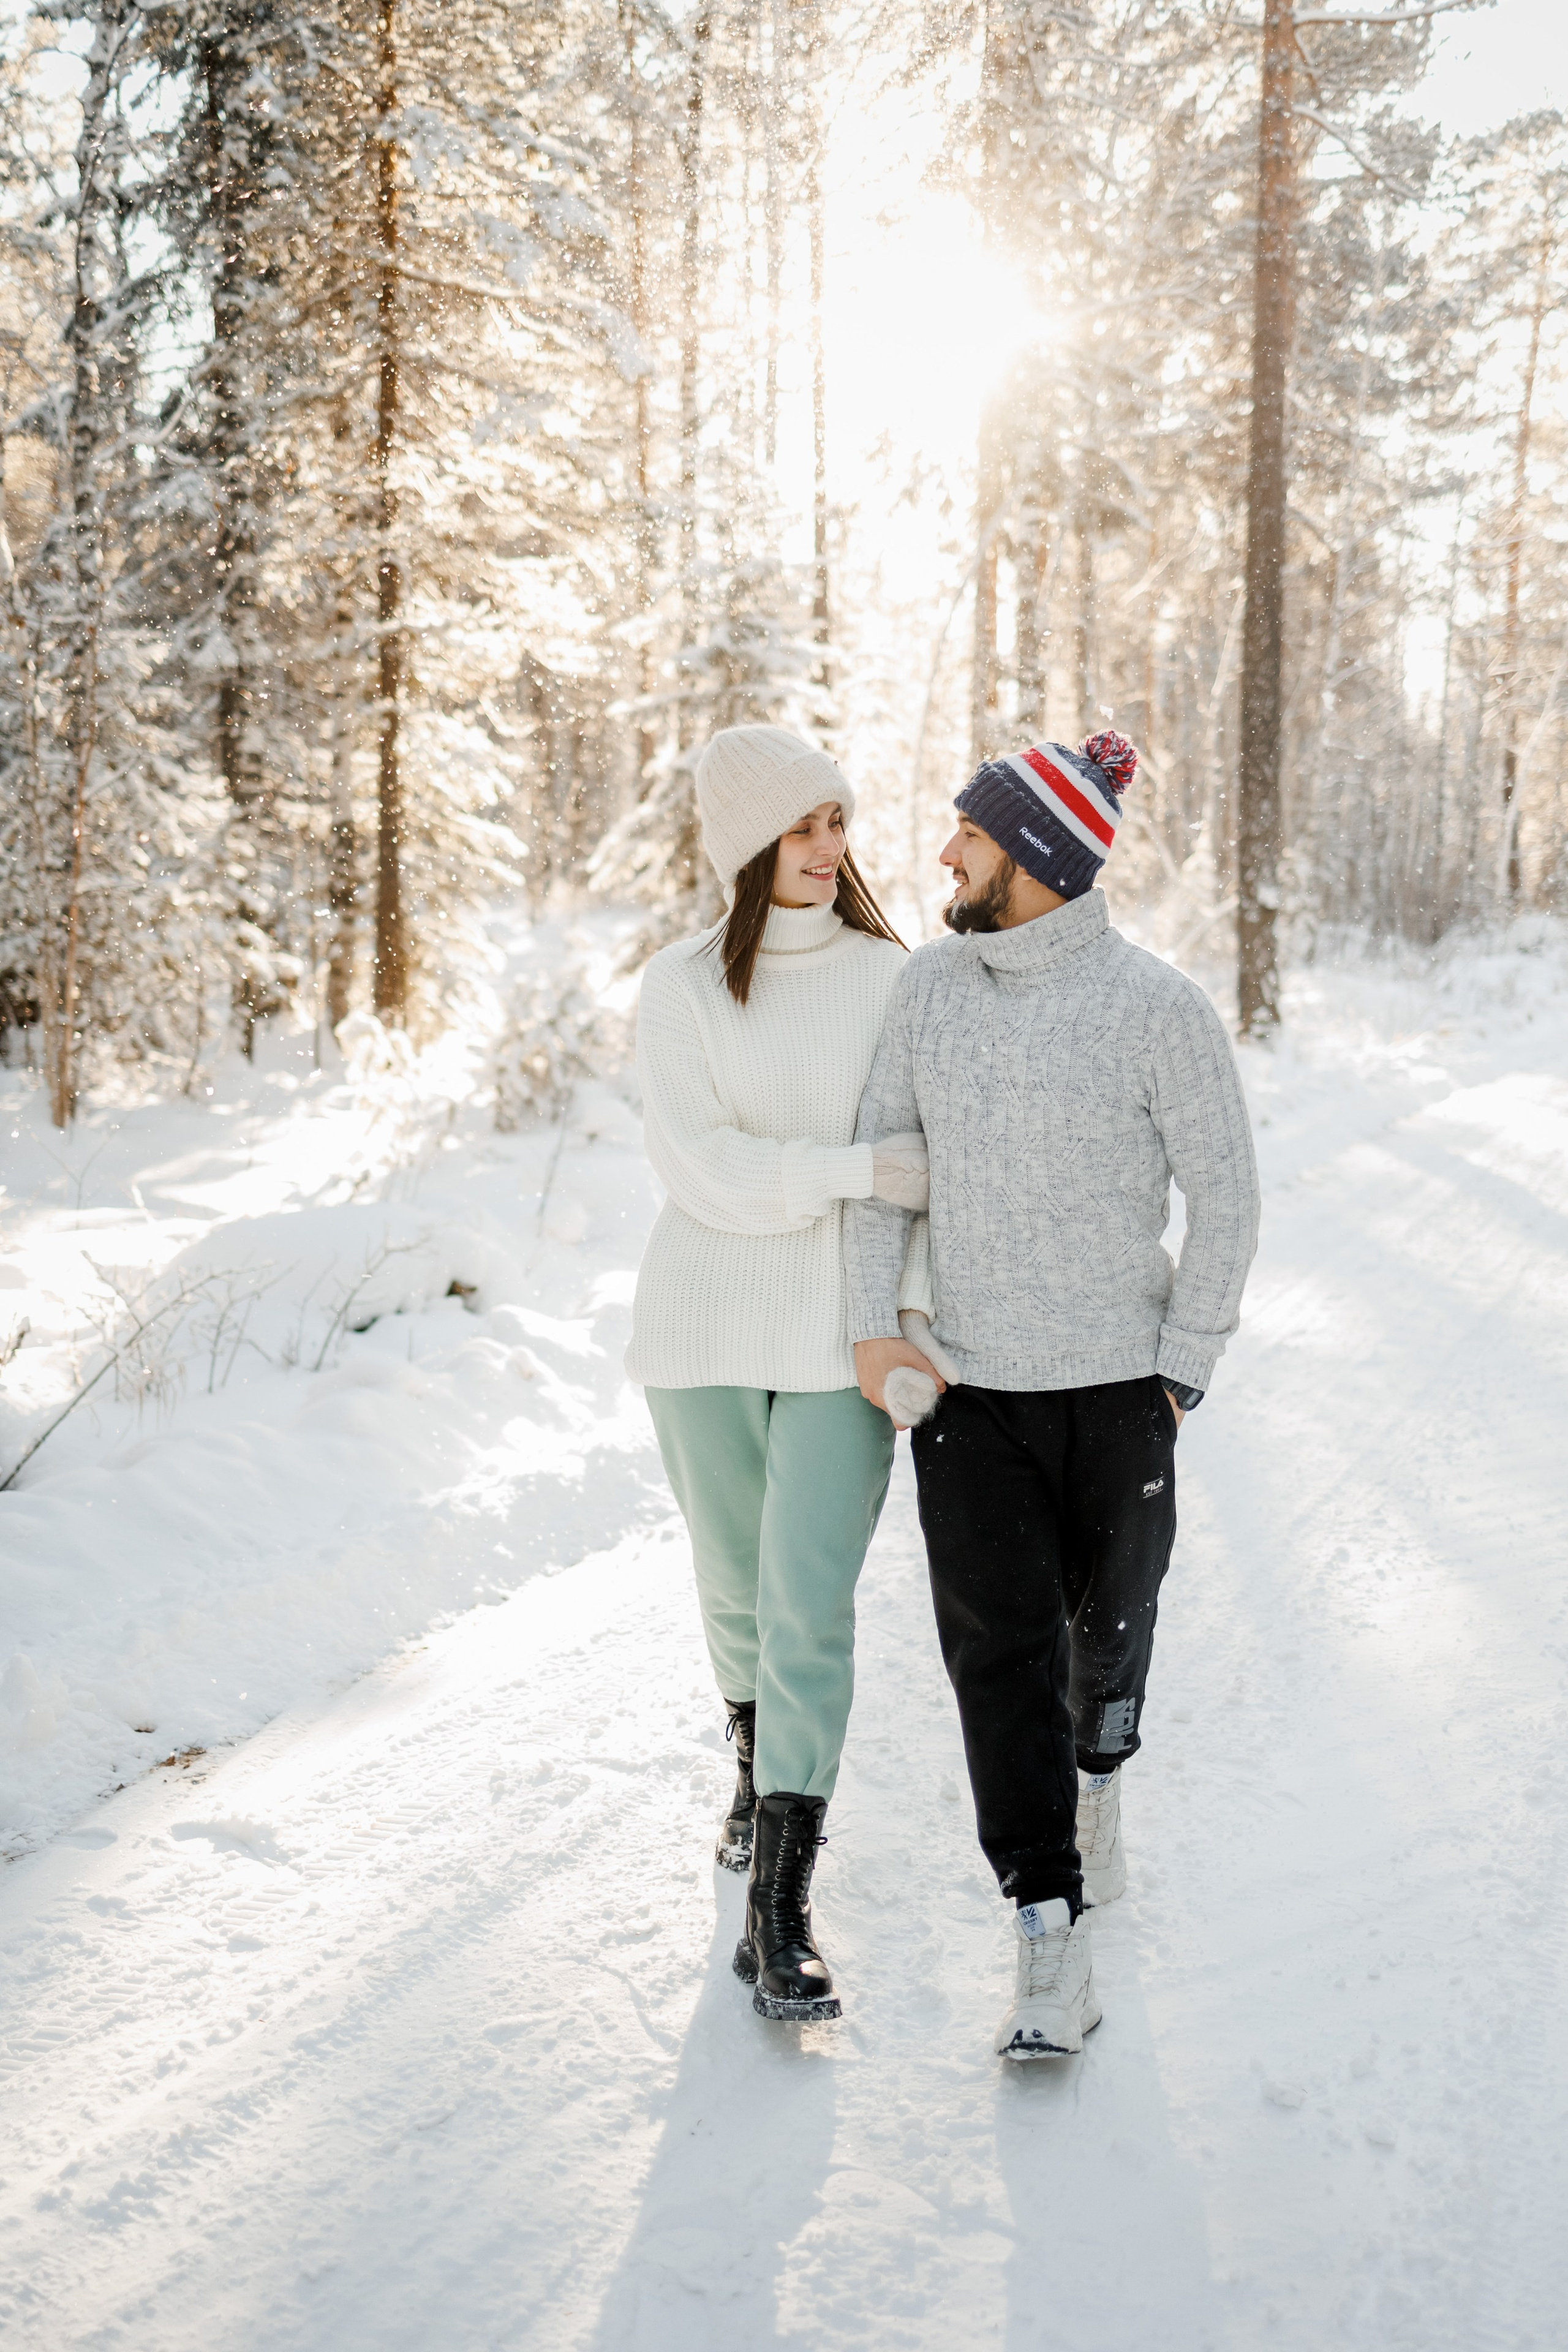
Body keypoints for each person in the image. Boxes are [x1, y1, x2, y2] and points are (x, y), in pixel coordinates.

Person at [844, 729, 1261, 2061]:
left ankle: (1099, 1781)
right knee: (994, 1657)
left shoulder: (1156, 1009)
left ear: (1029, 856)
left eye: (966, 835)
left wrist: (1183, 1363)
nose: (944, 855)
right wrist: (874, 1334)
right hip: (970, 1398)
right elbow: (882, 1175)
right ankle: (1043, 1927)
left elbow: (1228, 1201)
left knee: (1106, 1639)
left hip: (1122, 1392)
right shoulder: (926, 994)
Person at [628, 723, 933, 2026]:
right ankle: (754, 1769)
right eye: (804, 826)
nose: (829, 849)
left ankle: (781, 1912)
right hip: (699, 1327)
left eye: (837, 822)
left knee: (804, 1606)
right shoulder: (680, 986)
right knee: (733, 1595)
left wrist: (891, 1275)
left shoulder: (893, 982)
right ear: (747, 841)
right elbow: (699, 1173)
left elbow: (931, 1172)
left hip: (838, 1334)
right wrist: (846, 1173)